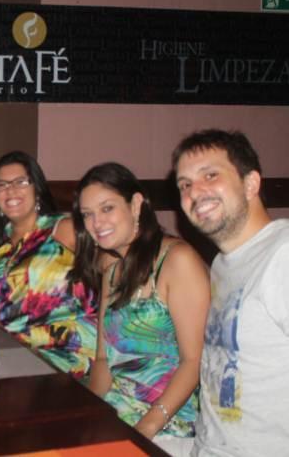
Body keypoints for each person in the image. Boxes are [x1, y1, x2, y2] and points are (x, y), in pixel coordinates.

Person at [70, 162, 210, 454]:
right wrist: (85, 416)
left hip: (169, 425)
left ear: (135, 205)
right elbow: (103, 360)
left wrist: (143, 430)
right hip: (117, 416)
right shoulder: (111, 268)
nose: (96, 222)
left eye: (107, 208)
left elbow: (194, 361)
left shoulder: (177, 260)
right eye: (87, 214)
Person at [173, 129, 289, 456]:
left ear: (251, 184)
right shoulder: (223, 265)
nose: (195, 192)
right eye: (184, 184)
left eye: (210, 175)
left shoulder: (282, 254)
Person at [0, 151, 97, 378]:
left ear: (37, 189)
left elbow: (112, 271)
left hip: (71, 355)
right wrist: (10, 350)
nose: (11, 190)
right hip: (18, 356)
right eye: (2, 185)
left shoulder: (63, 230)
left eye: (20, 182)